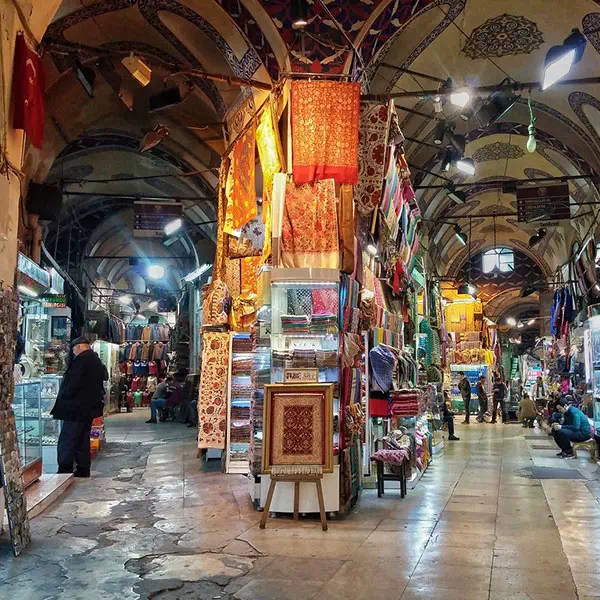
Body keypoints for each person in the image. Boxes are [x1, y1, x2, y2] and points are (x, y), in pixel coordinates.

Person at [51, 337, 108, 477]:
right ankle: (83, 468)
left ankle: (64, 469)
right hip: (88, 409)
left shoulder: (81, 361)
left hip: (75, 409)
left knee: (68, 439)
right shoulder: (95, 360)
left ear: (80, 347)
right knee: (82, 439)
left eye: (74, 349)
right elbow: (104, 376)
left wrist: (64, 397)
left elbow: (72, 384)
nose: (73, 352)